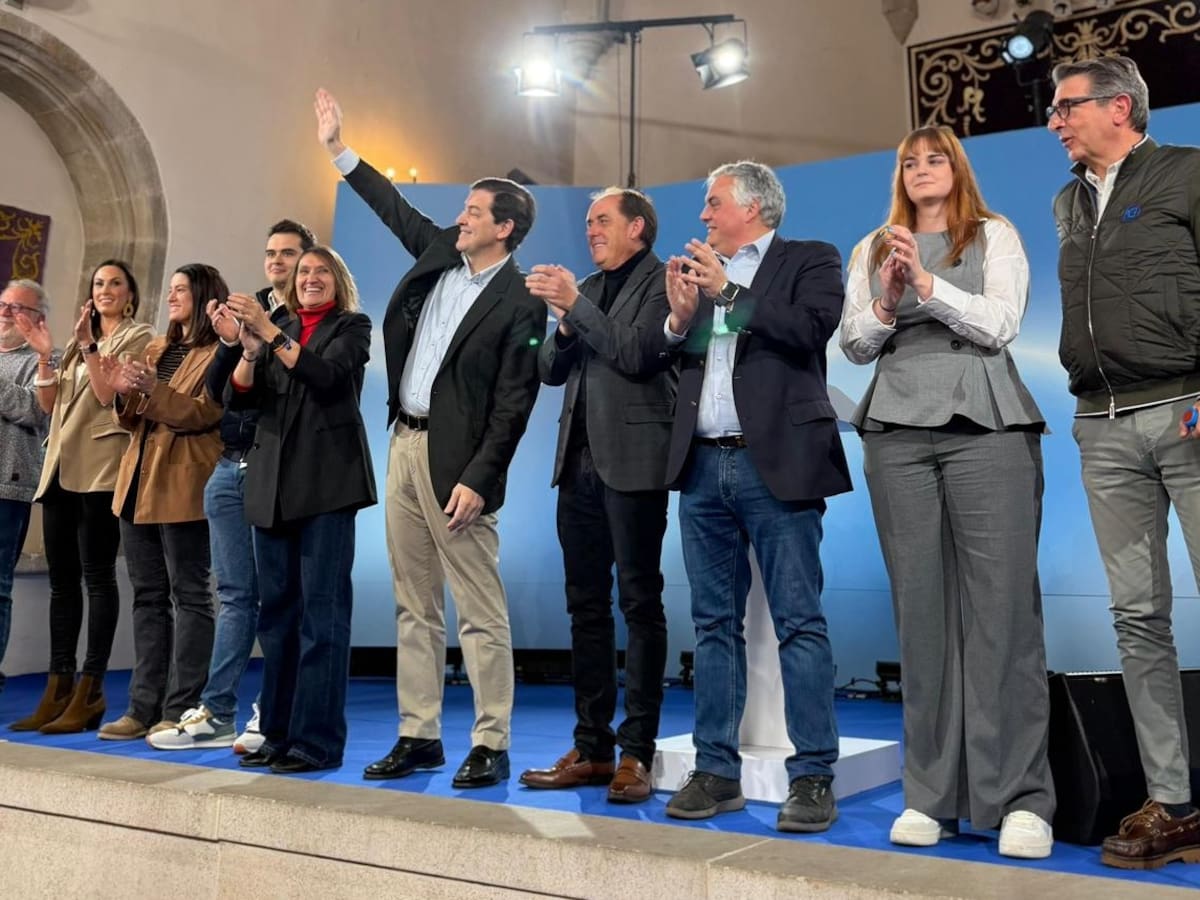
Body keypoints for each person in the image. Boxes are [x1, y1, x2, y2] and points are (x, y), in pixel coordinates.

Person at [314, 88, 542, 788]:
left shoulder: (522, 301)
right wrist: (338, 149)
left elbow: (514, 404)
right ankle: (420, 735)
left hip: (459, 468)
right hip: (405, 447)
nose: (459, 218)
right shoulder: (442, 251)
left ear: (503, 229)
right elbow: (393, 208)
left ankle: (492, 740)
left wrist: (481, 478)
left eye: (474, 212)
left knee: (477, 609)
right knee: (414, 604)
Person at [840, 126, 1055, 858]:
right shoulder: (875, 245)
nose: (922, 169)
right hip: (897, 431)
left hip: (986, 426)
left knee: (1002, 616)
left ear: (957, 168)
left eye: (935, 159)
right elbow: (855, 344)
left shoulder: (993, 234)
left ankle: (1021, 798)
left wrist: (929, 286)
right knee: (921, 618)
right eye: (910, 161)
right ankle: (930, 795)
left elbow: (1001, 324)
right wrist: (888, 298)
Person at [660, 160, 851, 832]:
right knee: (713, 625)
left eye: (713, 204)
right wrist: (680, 318)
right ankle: (715, 771)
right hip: (703, 467)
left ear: (754, 206)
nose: (705, 217)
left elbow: (809, 330)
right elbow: (678, 356)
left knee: (800, 620)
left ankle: (813, 776)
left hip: (779, 465)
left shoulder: (810, 259)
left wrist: (728, 292)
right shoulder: (698, 271)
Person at [1048, 54, 1200, 870]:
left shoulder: (1186, 175)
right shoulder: (1068, 200)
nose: (1055, 120)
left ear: (1119, 107)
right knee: (1138, 617)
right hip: (1101, 424)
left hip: (1188, 407)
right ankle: (1174, 802)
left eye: (1067, 106)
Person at [519, 188, 675, 803]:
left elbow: (636, 353)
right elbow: (550, 370)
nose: (590, 231)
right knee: (585, 608)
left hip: (634, 465)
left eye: (601, 220)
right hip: (576, 466)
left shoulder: (665, 281)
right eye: (586, 223)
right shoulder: (585, 286)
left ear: (637, 227)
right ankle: (591, 747)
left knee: (639, 606)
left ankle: (637, 750)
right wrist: (560, 324)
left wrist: (577, 306)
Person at [149, 219, 316, 753]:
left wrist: (267, 336)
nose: (276, 262)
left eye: (288, 254)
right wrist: (230, 344)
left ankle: (273, 706)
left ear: (309, 261)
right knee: (234, 594)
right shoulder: (251, 313)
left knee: (277, 595)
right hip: (230, 464)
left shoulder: (307, 321)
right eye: (270, 253)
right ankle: (218, 710)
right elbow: (220, 391)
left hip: (278, 469)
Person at [207, 244, 375, 773]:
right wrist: (250, 351)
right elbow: (238, 400)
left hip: (327, 486)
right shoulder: (274, 331)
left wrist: (273, 336)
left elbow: (327, 377)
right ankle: (276, 734)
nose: (311, 278)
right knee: (277, 618)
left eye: (322, 270)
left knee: (320, 616)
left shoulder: (353, 326)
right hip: (271, 486)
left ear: (338, 280)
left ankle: (316, 741)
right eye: (304, 272)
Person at [10, 261, 153, 734]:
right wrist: (48, 355)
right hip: (59, 468)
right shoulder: (77, 341)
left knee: (97, 580)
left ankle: (90, 690)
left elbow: (104, 392)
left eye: (115, 283)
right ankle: (57, 687)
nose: (106, 290)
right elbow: (51, 407)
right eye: (98, 283)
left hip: (101, 470)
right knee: (61, 583)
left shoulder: (138, 337)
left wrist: (90, 346)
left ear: (129, 293)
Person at [96, 263, 224, 740]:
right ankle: (141, 707)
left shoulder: (218, 353)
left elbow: (204, 414)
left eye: (182, 291)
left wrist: (152, 390)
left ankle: (183, 705)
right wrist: (124, 393)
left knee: (190, 596)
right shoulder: (157, 348)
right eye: (169, 289)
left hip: (184, 484)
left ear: (205, 296)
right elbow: (133, 421)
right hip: (137, 485)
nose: (172, 297)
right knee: (147, 597)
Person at [0, 281, 54, 693]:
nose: (5, 312)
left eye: (16, 308)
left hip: (7, 485)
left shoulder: (42, 359)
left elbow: (36, 410)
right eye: (3, 304)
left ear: (36, 319)